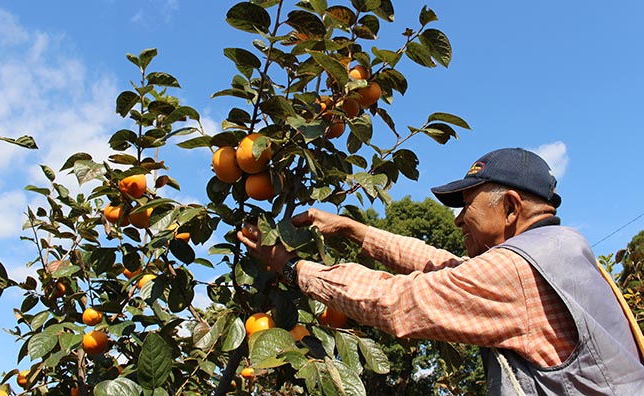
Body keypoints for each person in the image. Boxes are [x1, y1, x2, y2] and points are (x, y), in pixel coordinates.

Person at [238, 147, 644, 395]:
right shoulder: (559, 251)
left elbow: (399, 302)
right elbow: (445, 265)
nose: (457, 220)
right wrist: (355, 230)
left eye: (466, 206)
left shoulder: (517, 271)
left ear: (510, 208)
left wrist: (291, 267)